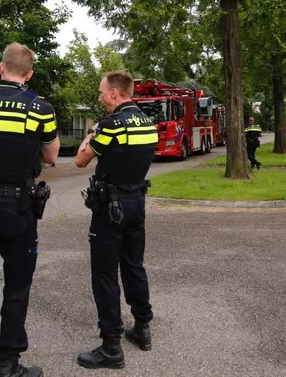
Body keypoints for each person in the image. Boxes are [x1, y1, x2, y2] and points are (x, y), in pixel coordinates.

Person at [0, 43, 60, 377]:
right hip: (18, 209)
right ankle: (8, 363)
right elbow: (50, 155)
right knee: (16, 288)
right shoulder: (39, 108)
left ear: (1, 67)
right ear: (29, 74)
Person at [74, 70, 158, 370]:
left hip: (110, 205)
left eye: (101, 92)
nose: (99, 97)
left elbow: (81, 159)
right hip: (137, 201)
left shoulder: (110, 125)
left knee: (105, 273)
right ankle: (142, 328)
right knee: (134, 265)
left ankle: (111, 346)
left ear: (114, 93)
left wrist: (92, 132)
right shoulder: (149, 124)